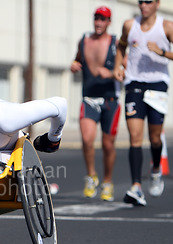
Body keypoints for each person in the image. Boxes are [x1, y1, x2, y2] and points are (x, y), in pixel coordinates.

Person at [113, 0, 173, 206]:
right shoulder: (130, 24)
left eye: (148, 1)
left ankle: (156, 169)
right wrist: (119, 66)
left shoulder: (167, 26)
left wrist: (162, 52)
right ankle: (136, 186)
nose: (143, 5)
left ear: (157, 4)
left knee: (155, 138)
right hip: (134, 84)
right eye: (140, 2)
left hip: (157, 85)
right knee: (135, 138)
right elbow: (121, 45)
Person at [71, 6, 121, 201]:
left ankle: (107, 181)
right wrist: (74, 65)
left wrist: (110, 73)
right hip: (89, 99)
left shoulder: (116, 44)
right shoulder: (84, 40)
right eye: (96, 18)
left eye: (103, 19)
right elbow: (77, 60)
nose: (99, 22)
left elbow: (124, 71)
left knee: (108, 145)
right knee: (87, 139)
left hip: (110, 100)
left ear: (109, 22)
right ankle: (91, 175)